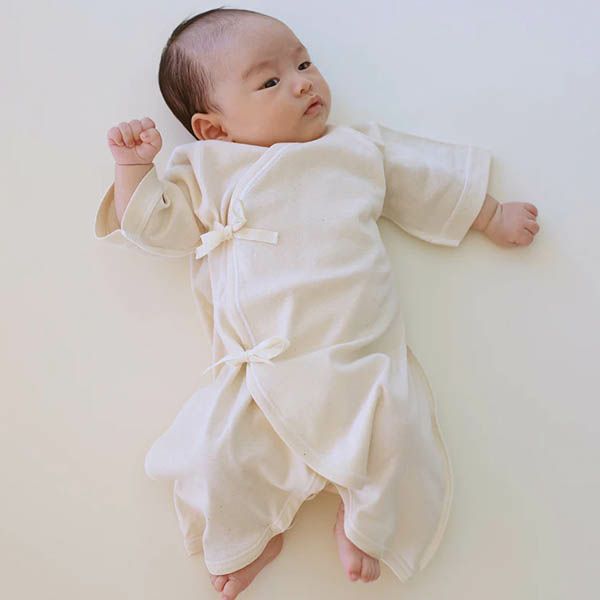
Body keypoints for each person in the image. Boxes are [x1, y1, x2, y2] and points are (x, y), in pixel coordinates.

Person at [96, 6, 540, 600]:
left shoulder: (355, 149)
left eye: (304, 64)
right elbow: (156, 227)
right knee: (215, 456)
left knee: (399, 436)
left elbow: (427, 180)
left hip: (357, 360)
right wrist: (133, 168)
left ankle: (366, 522)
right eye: (270, 80)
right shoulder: (207, 169)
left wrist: (490, 214)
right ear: (213, 129)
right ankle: (253, 537)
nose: (303, 82)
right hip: (257, 375)